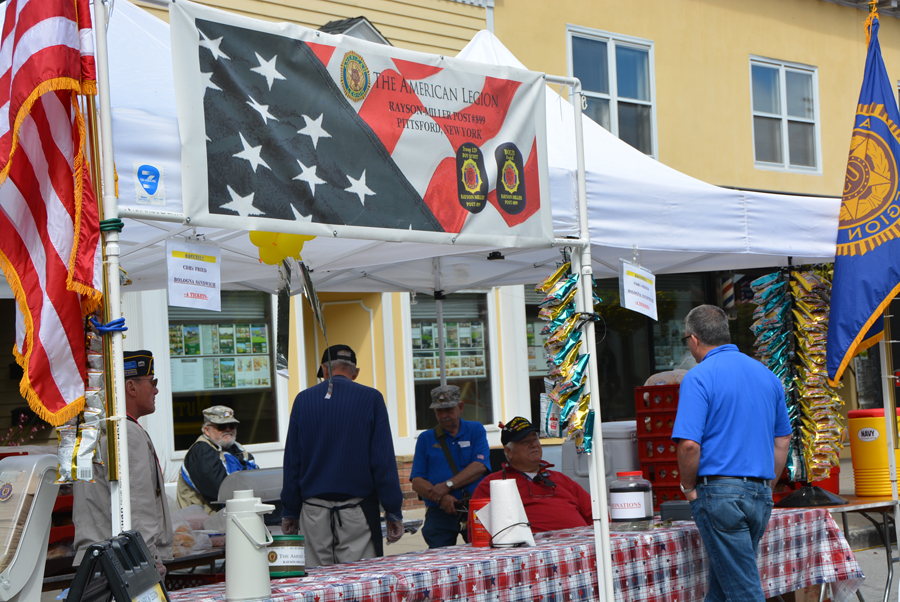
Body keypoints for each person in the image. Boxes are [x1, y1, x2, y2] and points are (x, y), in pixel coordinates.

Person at [672, 305, 791, 601]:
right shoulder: (767, 376)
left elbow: (689, 445)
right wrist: (768, 485)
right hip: (759, 492)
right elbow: (782, 440)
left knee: (742, 590)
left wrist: (687, 487)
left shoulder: (698, 377)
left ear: (694, 339)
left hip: (720, 493)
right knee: (724, 586)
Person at [281, 344, 404, 566]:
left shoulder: (303, 400)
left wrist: (290, 511)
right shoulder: (371, 399)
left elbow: (292, 462)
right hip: (357, 512)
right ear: (355, 372)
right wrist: (393, 510)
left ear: (324, 369)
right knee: (358, 578)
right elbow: (383, 461)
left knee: (317, 581)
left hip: (313, 512)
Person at [73, 350, 174, 573]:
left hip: (100, 558)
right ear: (131, 387)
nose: (156, 389)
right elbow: (137, 509)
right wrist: (148, 561)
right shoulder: (125, 433)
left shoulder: (97, 429)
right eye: (152, 381)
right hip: (125, 564)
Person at [473, 416, 592, 533]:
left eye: (535, 439)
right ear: (509, 451)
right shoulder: (492, 485)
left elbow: (596, 514)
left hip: (582, 542)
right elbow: (478, 533)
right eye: (525, 442)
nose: (533, 445)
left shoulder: (563, 480)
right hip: (532, 545)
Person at [410, 385, 490, 547]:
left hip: (474, 508)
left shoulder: (475, 430)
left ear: (460, 407)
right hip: (440, 512)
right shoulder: (426, 438)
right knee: (439, 556)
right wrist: (440, 498)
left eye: (448, 410)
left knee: (484, 553)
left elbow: (479, 466)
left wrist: (447, 485)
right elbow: (417, 481)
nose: (444, 415)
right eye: (439, 411)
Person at [176, 405, 259, 514]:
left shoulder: (237, 449)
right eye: (221, 426)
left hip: (235, 513)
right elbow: (221, 491)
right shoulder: (201, 451)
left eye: (232, 425)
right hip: (204, 521)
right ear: (207, 430)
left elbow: (257, 480)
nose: (228, 430)